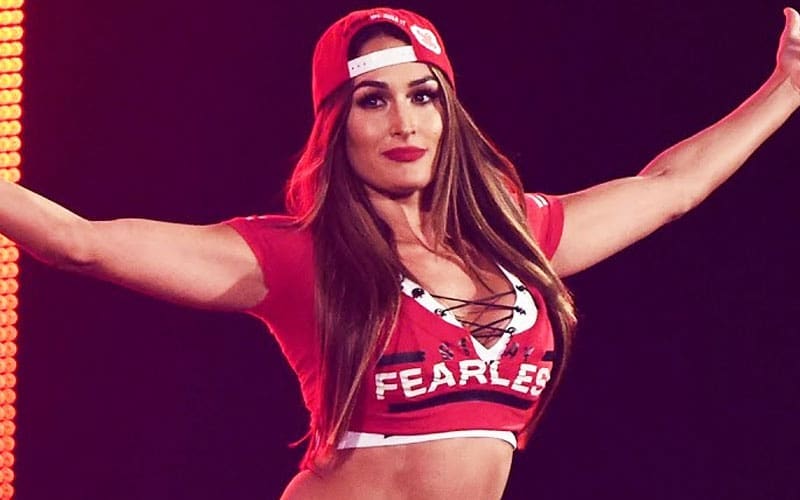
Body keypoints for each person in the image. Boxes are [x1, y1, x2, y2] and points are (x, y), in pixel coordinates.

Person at [3, 6, 799, 499]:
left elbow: (670, 187)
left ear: (449, 114)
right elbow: (79, 245)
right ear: (337, 126)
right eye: (372, 101)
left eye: (423, 96)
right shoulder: (300, 259)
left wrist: (787, 87)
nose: (403, 123)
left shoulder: (518, 239)